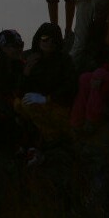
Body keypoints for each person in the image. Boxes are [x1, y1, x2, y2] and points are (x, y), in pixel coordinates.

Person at [16, 22, 77, 163]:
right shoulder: (33, 60)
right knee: (19, 104)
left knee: (27, 105)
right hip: (42, 107)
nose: (49, 42)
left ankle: (52, 138)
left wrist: (47, 98)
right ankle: (37, 141)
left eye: (54, 39)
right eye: (45, 38)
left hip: (60, 107)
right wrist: (26, 73)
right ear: (38, 39)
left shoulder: (64, 60)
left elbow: (70, 86)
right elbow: (21, 92)